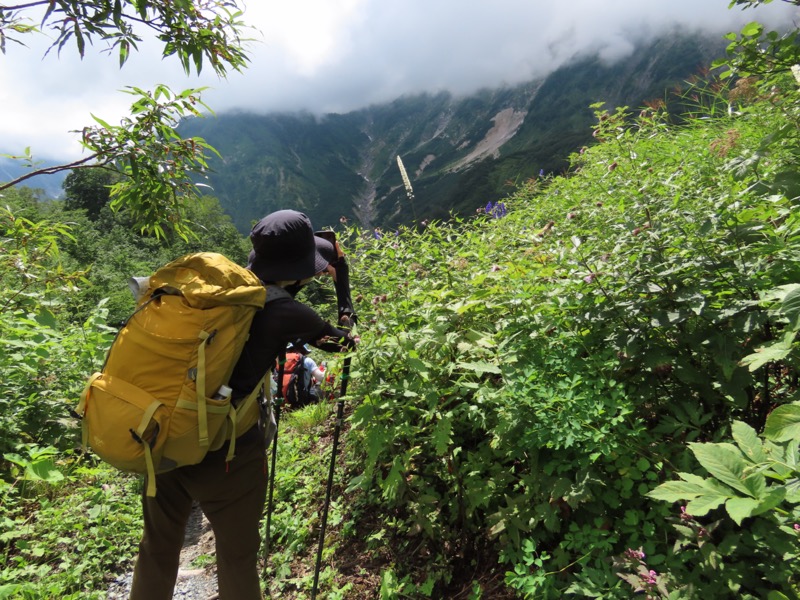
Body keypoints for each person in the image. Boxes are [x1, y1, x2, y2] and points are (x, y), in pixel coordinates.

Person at [129, 209, 357, 600]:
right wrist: (344, 287)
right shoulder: (290, 313)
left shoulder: (217, 293)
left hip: (163, 433)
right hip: (227, 450)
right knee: (236, 558)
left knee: (157, 549)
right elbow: (345, 341)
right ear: (302, 268)